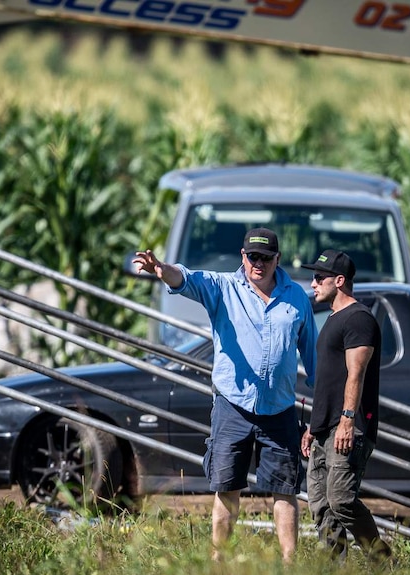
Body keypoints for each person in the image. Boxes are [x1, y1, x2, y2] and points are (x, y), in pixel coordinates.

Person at [133, 227, 317, 563]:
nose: (257, 263)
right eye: (252, 256)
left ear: (277, 259)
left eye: (265, 257)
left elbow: (313, 357)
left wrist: (328, 409)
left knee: (285, 489)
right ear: (242, 256)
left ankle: (290, 563)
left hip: (280, 410)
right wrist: (161, 269)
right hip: (233, 406)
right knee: (226, 485)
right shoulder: (223, 287)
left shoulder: (297, 298)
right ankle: (219, 560)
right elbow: (186, 279)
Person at [299, 249, 390, 560]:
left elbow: (356, 373)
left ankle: (382, 561)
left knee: (341, 500)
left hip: (348, 426)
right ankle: (337, 566)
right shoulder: (334, 319)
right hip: (325, 427)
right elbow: (329, 381)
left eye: (319, 277)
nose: (313, 283)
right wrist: (314, 427)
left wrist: (348, 420)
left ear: (339, 281)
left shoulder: (359, 319)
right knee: (321, 505)